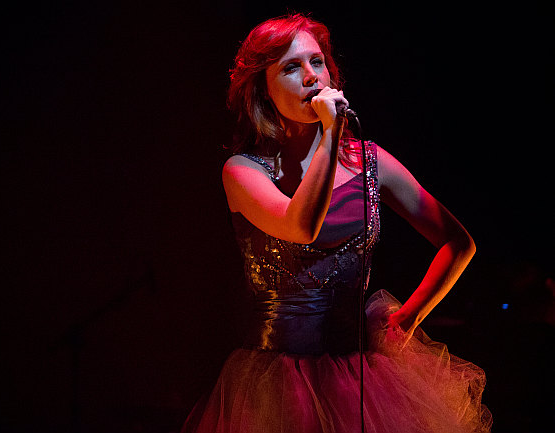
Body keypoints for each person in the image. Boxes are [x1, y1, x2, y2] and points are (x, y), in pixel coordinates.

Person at [181, 13, 492, 433]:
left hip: (361, 377)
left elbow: (458, 242)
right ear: (263, 89)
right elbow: (301, 227)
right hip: (276, 385)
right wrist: (331, 132)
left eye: (317, 62)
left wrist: (409, 318)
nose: (311, 76)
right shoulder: (243, 172)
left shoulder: (370, 161)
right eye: (291, 67)